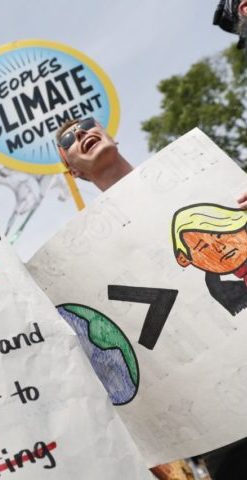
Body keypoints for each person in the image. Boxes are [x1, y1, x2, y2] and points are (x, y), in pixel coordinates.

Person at [57, 118, 247, 480]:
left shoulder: (207, 180)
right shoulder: (87, 264)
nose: (81, 132)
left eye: (86, 123)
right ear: (72, 171)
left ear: (111, 133)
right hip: (226, 435)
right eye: (69, 137)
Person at [172, 203, 247, 315]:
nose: (220, 247)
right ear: (184, 260)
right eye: (204, 247)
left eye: (220, 235)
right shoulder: (228, 291)